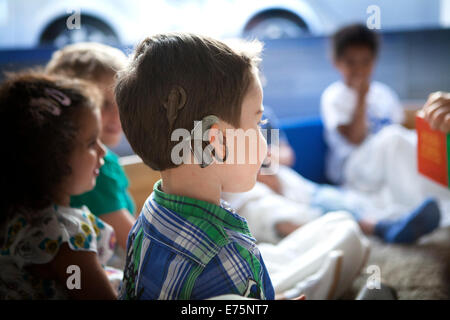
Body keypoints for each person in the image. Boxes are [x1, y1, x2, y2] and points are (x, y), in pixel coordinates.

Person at [115, 33, 276, 300]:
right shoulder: (225, 252)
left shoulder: (150, 212)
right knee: (343, 233)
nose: (264, 138)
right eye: (257, 124)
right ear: (215, 143)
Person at [0, 72, 117, 299]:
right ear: (54, 159)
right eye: (92, 142)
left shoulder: (15, 214)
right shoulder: (67, 238)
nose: (103, 151)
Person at [46, 43, 135, 251]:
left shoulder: (102, 157)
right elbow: (134, 243)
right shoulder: (94, 167)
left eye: (120, 101)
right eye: (103, 104)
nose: (116, 115)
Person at [320, 23, 405, 185]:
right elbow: (356, 138)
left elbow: (400, 129)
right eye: (351, 62)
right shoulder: (333, 96)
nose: (359, 69)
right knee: (394, 138)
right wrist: (361, 97)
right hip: (352, 168)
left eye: (365, 61)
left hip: (386, 164)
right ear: (336, 62)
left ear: (374, 61)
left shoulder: (384, 93)